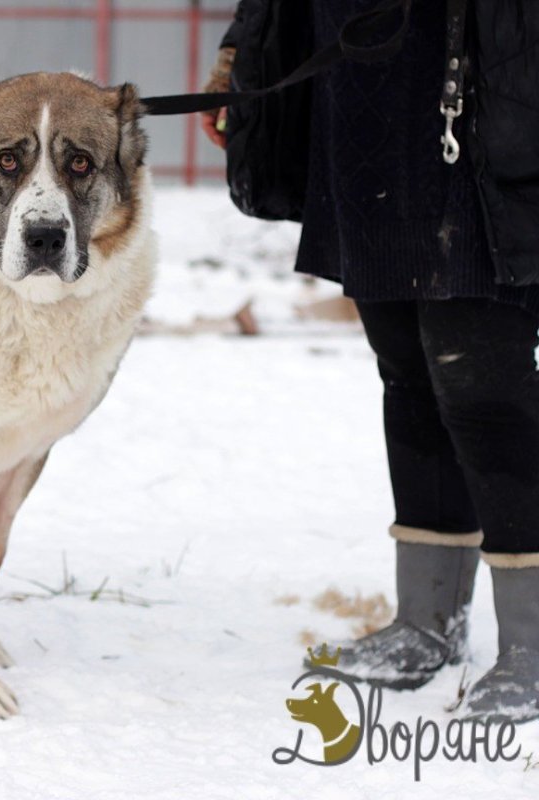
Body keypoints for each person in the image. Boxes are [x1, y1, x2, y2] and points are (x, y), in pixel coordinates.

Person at [202, 0, 539, 723]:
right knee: (408, 368)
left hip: (488, 87)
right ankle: (427, 623)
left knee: (483, 382)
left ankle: (532, 646)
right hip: (359, 94)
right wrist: (244, 50)